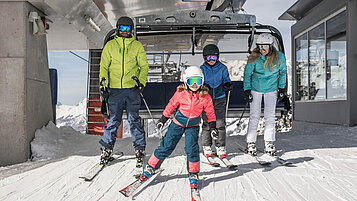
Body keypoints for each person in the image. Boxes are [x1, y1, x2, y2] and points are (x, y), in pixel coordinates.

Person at [139, 66, 218, 190]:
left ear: (202, 82)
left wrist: (213, 127)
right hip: (177, 123)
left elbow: (210, 112)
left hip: (193, 126)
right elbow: (171, 106)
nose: (195, 85)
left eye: (198, 81)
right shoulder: (180, 93)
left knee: (192, 149)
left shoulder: (205, 97)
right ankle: (151, 166)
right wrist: (163, 120)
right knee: (167, 145)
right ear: (186, 81)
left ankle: (193, 173)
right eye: (191, 82)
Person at [99, 16, 149, 166]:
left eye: (128, 29)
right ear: (118, 29)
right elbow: (104, 67)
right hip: (114, 89)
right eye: (122, 29)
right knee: (113, 119)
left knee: (134, 119)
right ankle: (107, 149)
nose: (125, 31)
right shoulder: (110, 46)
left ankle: (139, 149)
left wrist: (141, 82)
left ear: (131, 30)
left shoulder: (136, 46)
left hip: (131, 89)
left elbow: (144, 66)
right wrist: (103, 85)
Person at [243, 33, 287, 156]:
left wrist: (282, 88)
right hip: (256, 88)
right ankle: (251, 143)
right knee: (254, 115)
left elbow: (283, 73)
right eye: (259, 47)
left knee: (270, 116)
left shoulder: (279, 57)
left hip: (271, 88)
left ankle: (269, 142)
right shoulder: (254, 57)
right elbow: (247, 74)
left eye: (264, 47)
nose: (262, 50)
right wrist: (247, 90)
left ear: (271, 46)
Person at [200, 44, 233, 159]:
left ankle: (220, 146)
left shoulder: (222, 68)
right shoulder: (202, 69)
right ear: (205, 58)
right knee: (207, 122)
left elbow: (226, 79)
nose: (211, 61)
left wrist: (227, 84)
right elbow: (199, 82)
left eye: (213, 58)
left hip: (220, 97)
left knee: (220, 122)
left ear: (217, 57)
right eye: (209, 58)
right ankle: (206, 145)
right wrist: (204, 86)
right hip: (206, 99)